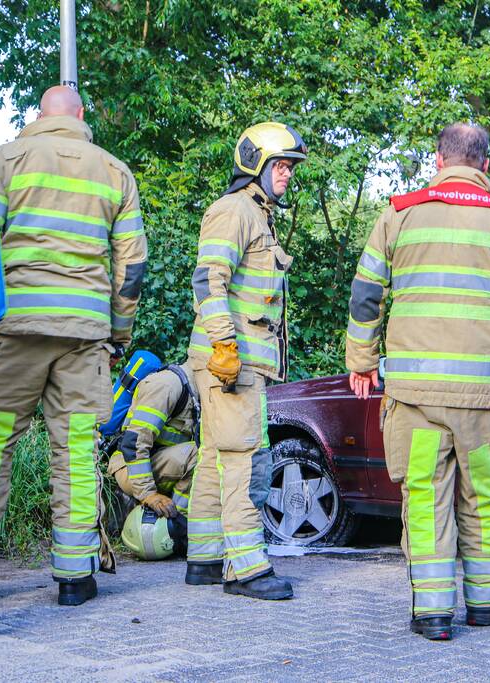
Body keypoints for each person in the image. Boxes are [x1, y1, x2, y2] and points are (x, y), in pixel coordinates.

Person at [346, 123, 490, 640]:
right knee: (484, 495)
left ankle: (433, 614)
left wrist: (363, 361)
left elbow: (366, 296)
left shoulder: (399, 216)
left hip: (416, 399)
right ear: (484, 163)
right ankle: (487, 604)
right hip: (485, 401)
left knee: (424, 498)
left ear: (439, 160)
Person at [0, 86, 146, 606]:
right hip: (84, 336)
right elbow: (131, 267)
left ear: (37, 117)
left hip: (11, 332)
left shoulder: (5, 159)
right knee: (76, 453)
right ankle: (74, 577)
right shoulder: (114, 171)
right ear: (82, 116)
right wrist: (119, 334)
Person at [184, 122, 306, 600]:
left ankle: (206, 559)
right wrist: (224, 347)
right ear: (253, 163)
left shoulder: (258, 214)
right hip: (231, 364)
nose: (287, 175)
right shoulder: (234, 211)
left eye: (290, 168)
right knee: (243, 460)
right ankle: (247, 570)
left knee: (217, 455)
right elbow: (206, 281)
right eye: (280, 166)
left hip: (236, 363)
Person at [109, 361, 198, 558]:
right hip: (128, 468)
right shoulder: (167, 385)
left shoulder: (194, 390)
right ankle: (175, 527)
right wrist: (148, 494)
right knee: (201, 455)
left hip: (154, 463)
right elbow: (133, 444)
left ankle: (179, 529)